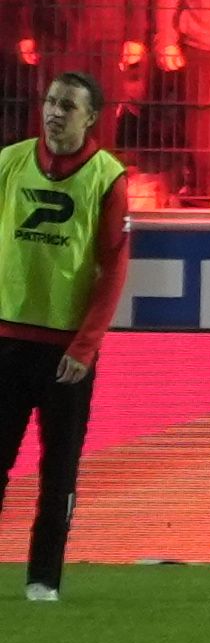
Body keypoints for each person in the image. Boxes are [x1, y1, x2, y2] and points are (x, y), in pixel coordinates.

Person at [0, 74, 130, 603]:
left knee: (59, 470)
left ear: (91, 116)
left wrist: (85, 346)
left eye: (68, 106)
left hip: (66, 353)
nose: (54, 113)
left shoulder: (107, 177)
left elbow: (113, 266)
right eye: (50, 102)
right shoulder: (9, 162)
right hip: (6, 339)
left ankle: (43, 580)